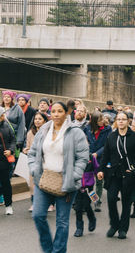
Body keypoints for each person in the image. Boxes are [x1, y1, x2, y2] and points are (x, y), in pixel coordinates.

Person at [28, 102, 89, 253]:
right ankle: (49, 250)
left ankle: (58, 251)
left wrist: (74, 176)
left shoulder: (75, 132)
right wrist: (34, 169)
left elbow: (83, 157)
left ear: (66, 113)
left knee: (62, 221)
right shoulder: (44, 129)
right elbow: (33, 152)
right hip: (44, 179)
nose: (56, 114)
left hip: (66, 182)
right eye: (53, 111)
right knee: (38, 215)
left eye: (59, 111)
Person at [97, 112, 135, 239]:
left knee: (126, 202)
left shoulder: (134, 136)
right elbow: (106, 154)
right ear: (116, 121)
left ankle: (123, 229)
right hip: (113, 174)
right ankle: (114, 225)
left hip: (128, 175)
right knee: (111, 199)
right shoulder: (111, 136)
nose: (121, 121)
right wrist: (101, 170)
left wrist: (132, 166)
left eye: (124, 119)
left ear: (128, 121)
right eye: (119, 119)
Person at [83, 111, 112, 212]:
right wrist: (89, 153)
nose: (102, 121)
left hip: (101, 157)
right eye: (100, 120)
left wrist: (97, 153)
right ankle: (89, 200)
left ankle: (97, 201)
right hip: (89, 158)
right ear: (94, 121)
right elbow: (83, 141)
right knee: (89, 183)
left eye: (103, 119)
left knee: (99, 181)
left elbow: (107, 144)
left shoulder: (108, 129)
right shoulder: (86, 128)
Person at [23, 112, 49, 212]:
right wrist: (26, 150)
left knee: (45, 184)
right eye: (35, 119)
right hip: (33, 161)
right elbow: (28, 146)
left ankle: (49, 203)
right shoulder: (30, 132)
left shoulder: (47, 132)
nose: (37, 121)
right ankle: (34, 203)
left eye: (40, 119)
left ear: (45, 121)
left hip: (45, 161)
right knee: (32, 184)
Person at [0, 107, 16, 215]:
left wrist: (10, 150)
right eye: (2, 115)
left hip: (4, 160)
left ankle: (8, 205)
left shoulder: (7, 125)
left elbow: (13, 140)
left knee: (6, 183)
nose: (3, 116)